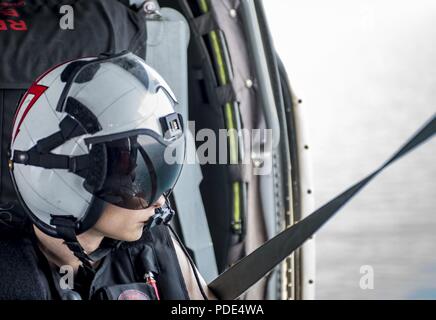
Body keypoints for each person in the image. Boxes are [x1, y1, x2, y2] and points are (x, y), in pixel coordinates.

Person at [4, 51, 216, 300]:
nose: (160, 202)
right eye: (132, 180)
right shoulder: (11, 277)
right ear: (61, 181)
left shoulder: (154, 244)